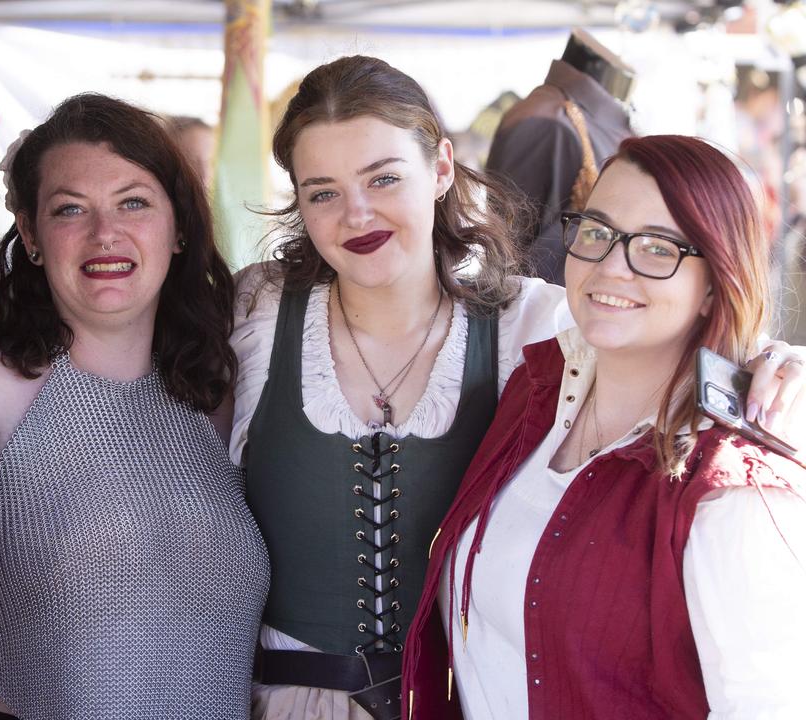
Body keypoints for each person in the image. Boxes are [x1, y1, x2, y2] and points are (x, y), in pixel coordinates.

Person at [230, 55, 805, 720]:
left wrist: (769, 361)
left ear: (442, 169)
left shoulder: (529, 321)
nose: (357, 215)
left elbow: (649, 320)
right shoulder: (259, 311)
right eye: (322, 192)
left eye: (384, 178)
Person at [402, 134, 806, 719]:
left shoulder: (734, 493)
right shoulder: (537, 391)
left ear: (716, 281)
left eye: (657, 247)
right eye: (597, 232)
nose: (610, 267)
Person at [0, 93, 269, 720]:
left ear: (180, 227)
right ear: (31, 234)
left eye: (134, 202)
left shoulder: (219, 389)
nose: (106, 233)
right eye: (71, 208)